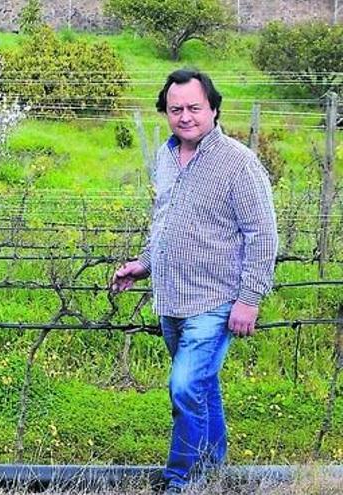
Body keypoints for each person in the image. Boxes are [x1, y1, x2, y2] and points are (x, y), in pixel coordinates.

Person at [110, 69, 278, 493]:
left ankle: (178, 480)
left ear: (214, 109)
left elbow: (263, 234)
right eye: (175, 109)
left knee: (184, 385)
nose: (185, 116)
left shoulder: (239, 163)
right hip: (172, 297)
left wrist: (249, 299)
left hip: (216, 298)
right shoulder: (165, 157)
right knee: (200, 386)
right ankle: (212, 470)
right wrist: (143, 263)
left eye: (194, 108)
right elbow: (165, 223)